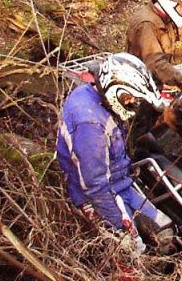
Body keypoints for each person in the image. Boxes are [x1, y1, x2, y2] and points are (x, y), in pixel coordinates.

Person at [56, 52, 174, 255]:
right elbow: (95, 187)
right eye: (131, 100)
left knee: (164, 230)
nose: (134, 105)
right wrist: (122, 229)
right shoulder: (91, 124)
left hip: (120, 182)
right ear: (115, 91)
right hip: (97, 196)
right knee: (133, 253)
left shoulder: (94, 96)